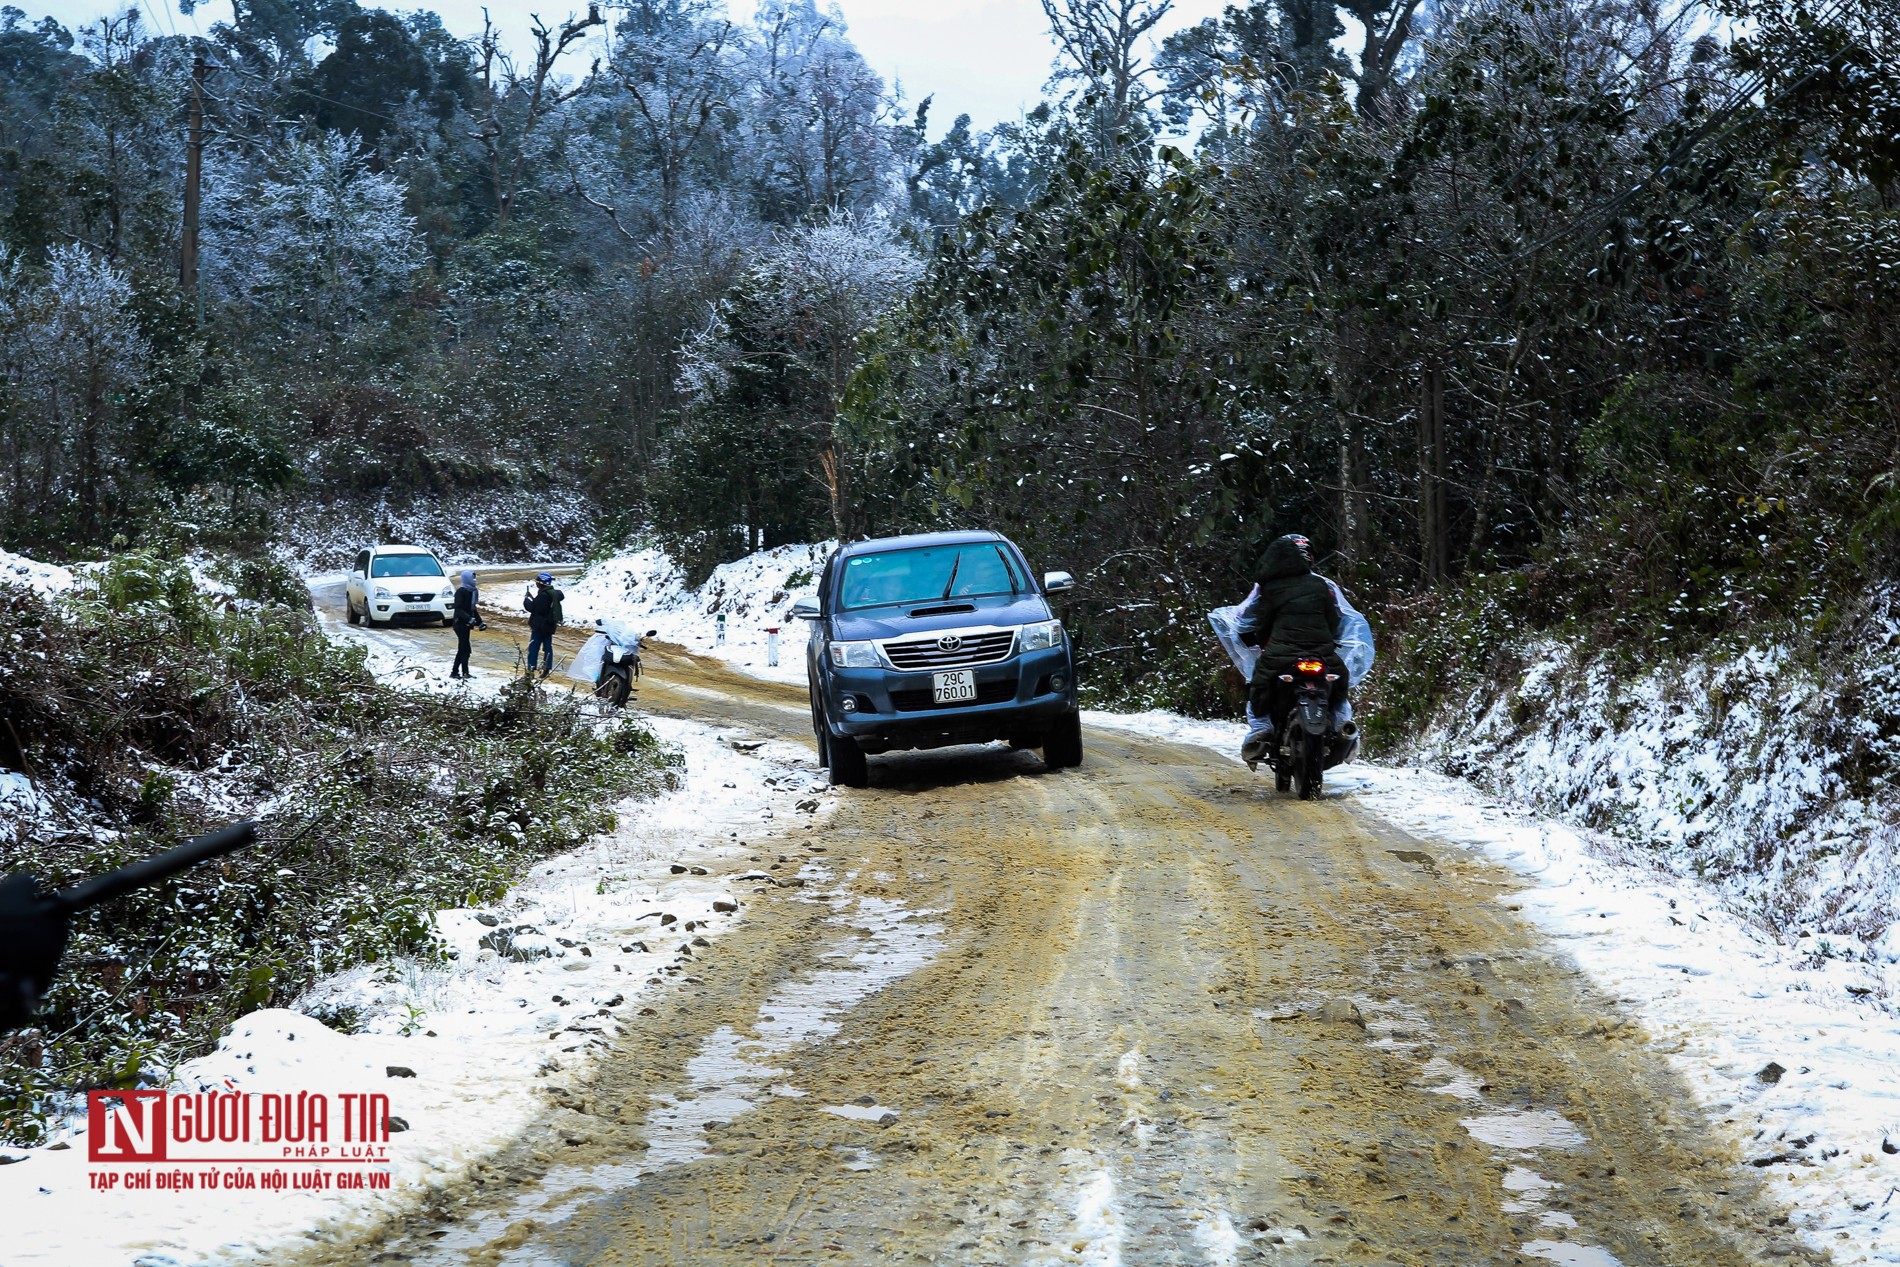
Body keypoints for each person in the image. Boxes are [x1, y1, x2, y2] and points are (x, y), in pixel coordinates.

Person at [1235, 533, 1348, 763]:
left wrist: (1254, 639)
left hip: (1281, 655)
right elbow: (1334, 621)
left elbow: (1261, 624)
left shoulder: (1271, 588)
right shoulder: (1321, 585)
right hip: (1322, 653)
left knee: (1258, 684)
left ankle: (1261, 729)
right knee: (1340, 681)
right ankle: (1341, 725)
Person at [523, 571, 564, 678]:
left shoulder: (543, 596)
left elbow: (533, 608)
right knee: (547, 648)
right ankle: (547, 668)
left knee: (533, 649)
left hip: (539, 627)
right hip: (549, 626)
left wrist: (526, 600)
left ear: (541, 584)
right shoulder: (553, 594)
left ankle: (531, 670)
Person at [450, 569, 486, 679]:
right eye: (472, 578)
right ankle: (460, 672)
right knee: (465, 649)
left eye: (475, 578)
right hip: (460, 624)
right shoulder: (461, 592)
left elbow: (472, 609)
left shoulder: (472, 591)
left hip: (466, 624)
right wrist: (469, 619)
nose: (474, 580)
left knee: (463, 649)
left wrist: (480, 622)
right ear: (467, 579)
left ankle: (457, 672)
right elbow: (459, 609)